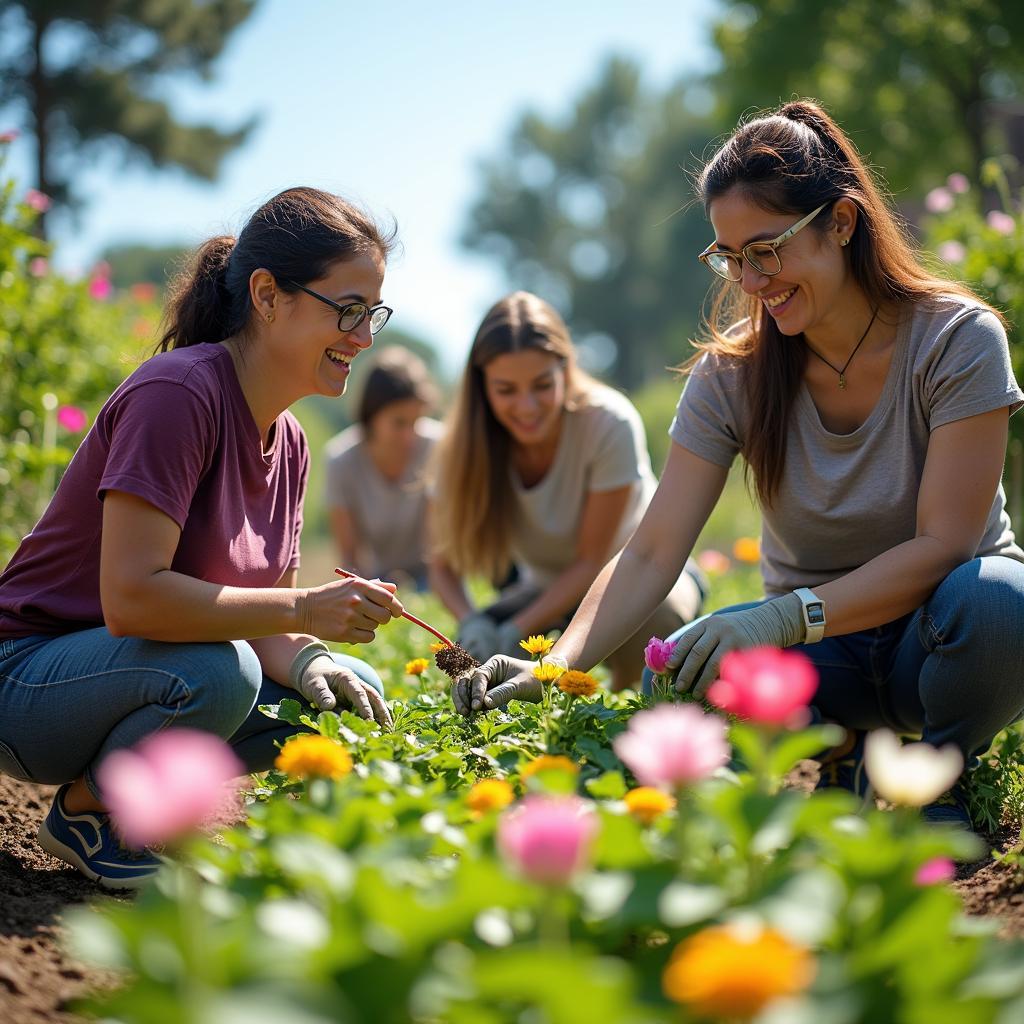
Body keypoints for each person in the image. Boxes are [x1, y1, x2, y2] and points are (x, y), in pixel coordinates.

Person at [456, 100, 1024, 831]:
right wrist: (555, 667)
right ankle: (839, 750)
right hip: (816, 664)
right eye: (730, 257)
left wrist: (783, 616)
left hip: (939, 646)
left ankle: (944, 783)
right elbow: (654, 548)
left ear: (842, 224)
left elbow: (944, 544)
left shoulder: (956, 339)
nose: (751, 282)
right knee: (681, 674)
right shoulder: (732, 374)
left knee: (1001, 601)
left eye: (767, 250)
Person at [0, 186, 405, 887]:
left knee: (346, 692)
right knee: (222, 671)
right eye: (346, 310)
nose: (362, 338)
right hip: (26, 682)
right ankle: (91, 811)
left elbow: (267, 618)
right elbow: (133, 599)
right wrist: (306, 611)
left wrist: (310, 660)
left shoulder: (294, 445)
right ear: (268, 295)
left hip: (126, 682)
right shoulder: (179, 395)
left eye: (372, 314)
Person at [429, 291, 705, 691]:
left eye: (542, 385)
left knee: (654, 630)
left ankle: (617, 716)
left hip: (634, 579)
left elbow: (592, 560)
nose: (526, 406)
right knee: (482, 674)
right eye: (506, 390)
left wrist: (515, 629)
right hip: (542, 590)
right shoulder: (461, 448)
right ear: (482, 386)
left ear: (565, 369)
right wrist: (472, 621)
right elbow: (441, 565)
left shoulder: (607, 424)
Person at [325, 345, 442, 589]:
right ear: (371, 416)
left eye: (416, 421)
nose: (409, 436)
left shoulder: (438, 447)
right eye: (399, 423)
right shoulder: (341, 461)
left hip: (435, 577)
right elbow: (350, 558)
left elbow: (441, 545)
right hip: (378, 581)